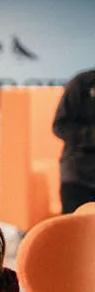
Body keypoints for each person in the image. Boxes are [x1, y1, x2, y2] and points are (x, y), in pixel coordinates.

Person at [52, 69, 95, 213]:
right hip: (79, 177)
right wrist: (90, 135)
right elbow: (59, 126)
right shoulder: (82, 83)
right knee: (75, 231)